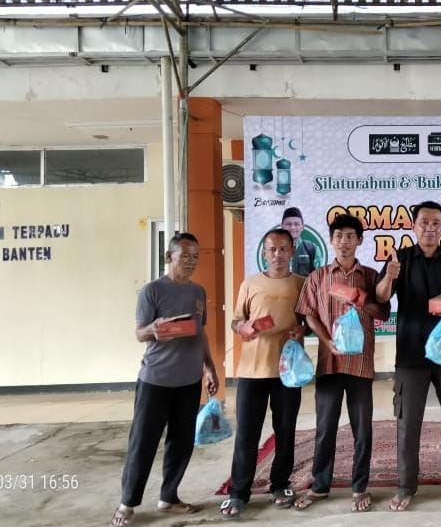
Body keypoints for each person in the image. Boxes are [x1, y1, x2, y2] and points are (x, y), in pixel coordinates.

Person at [112, 233, 219, 527]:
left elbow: (200, 332)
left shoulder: (198, 292)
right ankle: (127, 503)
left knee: (181, 443)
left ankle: (168, 498)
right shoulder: (152, 291)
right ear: (169, 256)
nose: (191, 261)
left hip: (189, 381)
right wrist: (153, 329)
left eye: (195, 256)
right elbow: (139, 334)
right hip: (156, 380)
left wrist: (209, 367)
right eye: (184, 255)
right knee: (143, 443)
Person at [376, 200, 441, 512]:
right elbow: (380, 296)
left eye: (436, 223)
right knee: (408, 423)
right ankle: (406, 487)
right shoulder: (400, 258)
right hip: (411, 354)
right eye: (424, 223)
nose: (430, 229)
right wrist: (389, 276)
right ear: (414, 226)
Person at [294, 214, 391, 513]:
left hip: (360, 364)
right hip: (329, 363)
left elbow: (383, 313)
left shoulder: (371, 276)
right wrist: (326, 341)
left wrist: (363, 300)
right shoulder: (318, 277)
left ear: (359, 240)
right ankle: (320, 486)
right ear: (331, 240)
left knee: (363, 430)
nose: (344, 242)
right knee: (325, 428)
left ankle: (359, 487)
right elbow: (307, 312)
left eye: (350, 236)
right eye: (339, 236)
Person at [220, 229, 306, 520]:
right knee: (247, 433)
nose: (277, 254)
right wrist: (242, 327)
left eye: (283, 249)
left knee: (286, 430)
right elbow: (236, 320)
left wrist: (302, 330)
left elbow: (309, 320)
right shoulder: (250, 284)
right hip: (251, 371)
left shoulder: (301, 284)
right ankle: (238, 492)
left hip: (288, 371)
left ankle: (280, 485)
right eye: (272, 249)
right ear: (264, 253)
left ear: (292, 250)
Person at [281, 207, 318, 276]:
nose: (292, 227)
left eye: (296, 224)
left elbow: (320, 275)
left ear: (302, 227)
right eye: (288, 224)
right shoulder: (273, 249)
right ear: (282, 226)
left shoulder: (312, 248)